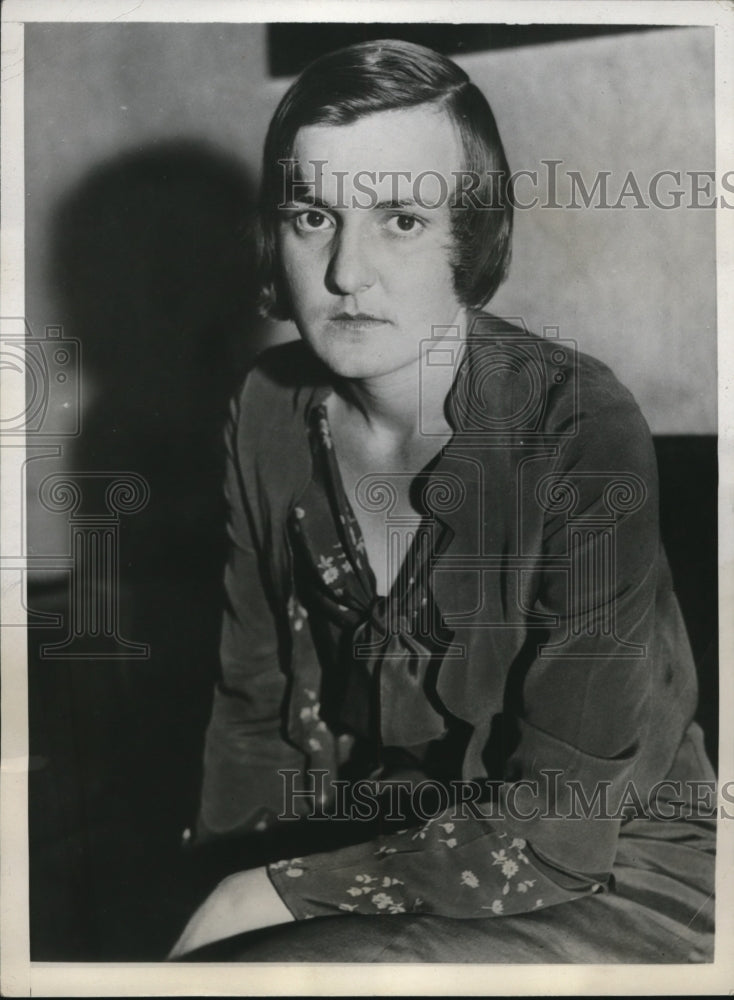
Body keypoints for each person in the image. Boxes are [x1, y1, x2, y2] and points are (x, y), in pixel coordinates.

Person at [169, 39, 716, 962]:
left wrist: (268, 894)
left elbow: (560, 825)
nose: (346, 273)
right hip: (384, 842)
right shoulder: (265, 409)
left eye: (402, 221)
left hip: (612, 872)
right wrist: (229, 882)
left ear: (474, 234)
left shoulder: (576, 425)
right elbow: (256, 711)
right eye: (313, 215)